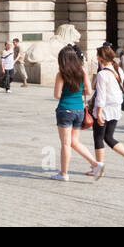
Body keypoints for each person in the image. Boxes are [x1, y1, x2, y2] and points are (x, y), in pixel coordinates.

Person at [88, 45, 124, 179]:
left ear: (100, 57)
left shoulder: (102, 74)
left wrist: (98, 113)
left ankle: (99, 168)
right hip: (115, 109)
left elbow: (101, 96)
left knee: (99, 138)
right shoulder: (118, 71)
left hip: (104, 109)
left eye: (97, 55)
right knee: (109, 137)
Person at [50, 46, 100, 181]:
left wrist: (67, 93)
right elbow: (89, 91)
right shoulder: (82, 71)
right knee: (74, 142)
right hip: (79, 110)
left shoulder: (61, 74)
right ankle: (95, 164)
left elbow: (56, 95)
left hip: (65, 110)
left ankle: (64, 173)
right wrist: (77, 92)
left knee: (66, 144)